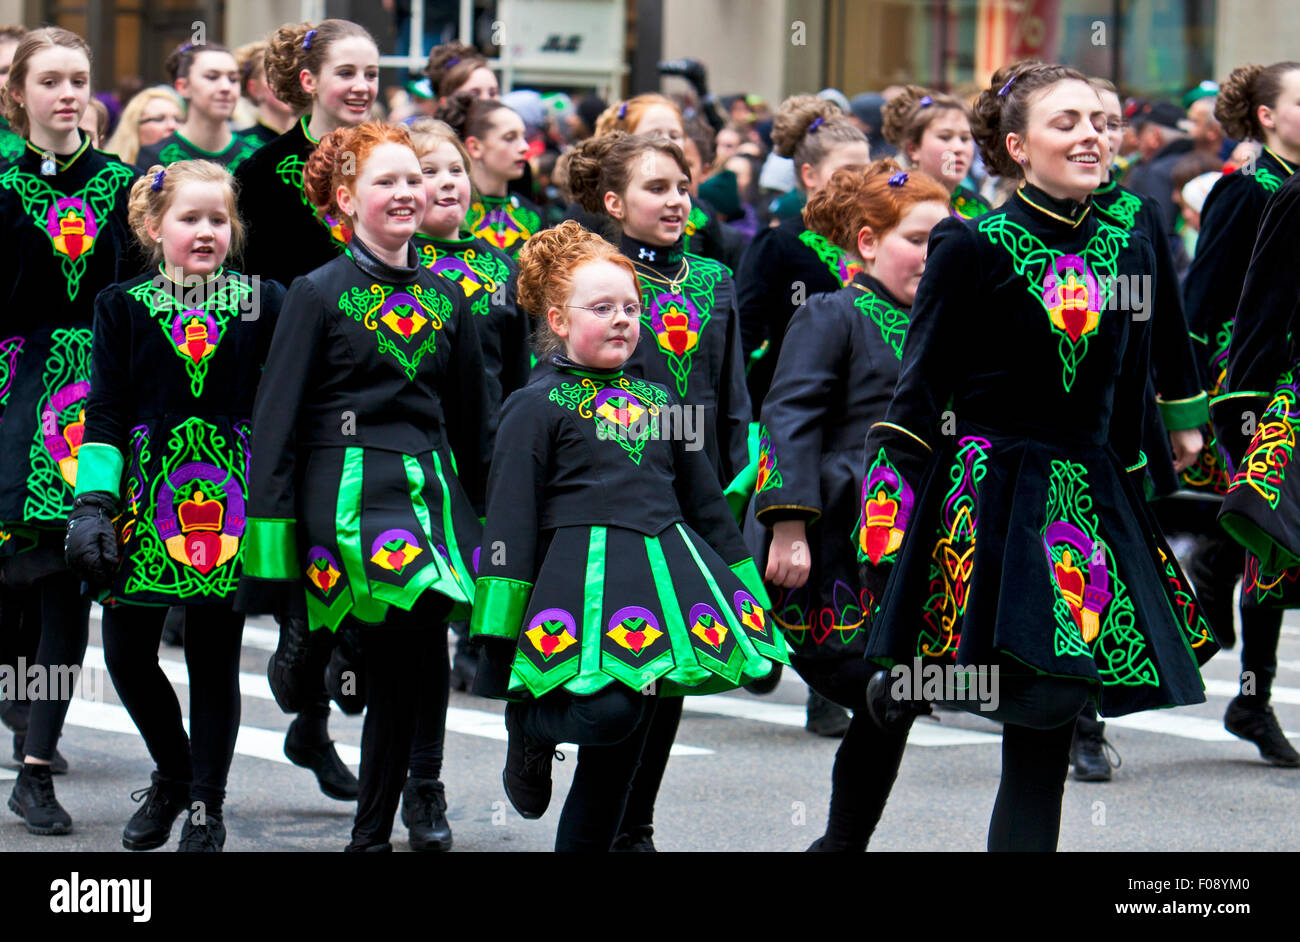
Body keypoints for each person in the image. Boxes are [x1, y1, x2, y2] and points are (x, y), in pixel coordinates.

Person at [859, 60, 1216, 851]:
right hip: (995, 489)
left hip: (1092, 485)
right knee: (1034, 694)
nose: (1090, 135)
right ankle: (905, 688)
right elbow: (921, 388)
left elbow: (1156, 340)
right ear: (1017, 146)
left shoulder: (1134, 224)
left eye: (1100, 121)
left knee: (1050, 708)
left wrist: (1179, 426)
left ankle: (915, 680)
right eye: (1067, 123)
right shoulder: (972, 243)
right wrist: (889, 507)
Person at [468, 220, 787, 851]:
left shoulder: (663, 395)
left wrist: (750, 597)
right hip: (573, 595)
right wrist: (498, 650)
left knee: (624, 750)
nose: (622, 320)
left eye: (632, 308)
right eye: (602, 308)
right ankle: (531, 726)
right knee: (607, 714)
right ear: (557, 320)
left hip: (662, 586)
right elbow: (509, 523)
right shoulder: (532, 405)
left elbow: (703, 503)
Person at [236, 121, 490, 851]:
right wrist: (276, 558)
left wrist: (494, 529)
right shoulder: (316, 293)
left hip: (431, 502)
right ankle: (381, 822)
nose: (409, 192)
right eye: (388, 181)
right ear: (346, 200)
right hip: (349, 498)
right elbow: (277, 421)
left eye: (415, 178)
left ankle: (409, 799)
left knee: (420, 648)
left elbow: (474, 429)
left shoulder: (451, 298)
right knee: (405, 652)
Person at [65, 160, 286, 851]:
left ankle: (206, 808)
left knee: (213, 660)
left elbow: (285, 407)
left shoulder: (265, 300)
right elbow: (102, 413)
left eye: (218, 220)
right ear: (153, 228)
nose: (206, 232)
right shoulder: (120, 305)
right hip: (142, 502)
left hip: (235, 506)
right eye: (190, 219)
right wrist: (92, 505)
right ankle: (174, 773)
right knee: (129, 656)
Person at [748, 159, 949, 850]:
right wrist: (788, 525)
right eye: (918, 239)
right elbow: (789, 415)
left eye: (944, 240)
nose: (934, 255)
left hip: (918, 535)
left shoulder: (943, 323)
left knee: (895, 701)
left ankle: (840, 844)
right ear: (867, 243)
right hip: (835, 533)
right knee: (875, 683)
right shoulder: (832, 313)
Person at [563, 130, 754, 849]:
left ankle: (635, 824)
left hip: (697, 489)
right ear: (613, 202)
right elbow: (558, 385)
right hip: (617, 483)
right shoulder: (593, 276)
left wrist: (741, 479)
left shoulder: (713, 279)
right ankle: (548, 747)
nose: (675, 201)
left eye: (681, 187)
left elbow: (732, 389)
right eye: (655, 189)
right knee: (616, 658)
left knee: (679, 659)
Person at [234, 18, 385, 801]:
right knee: (314, 538)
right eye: (345, 73)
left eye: (370, 72)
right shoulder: (262, 173)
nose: (361, 86)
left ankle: (321, 681)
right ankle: (308, 687)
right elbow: (246, 287)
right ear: (307, 82)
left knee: (376, 557)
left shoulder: (394, 162)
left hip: (386, 386)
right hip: (299, 386)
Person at [0, 26, 139, 836]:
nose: (67, 93)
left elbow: (134, 298)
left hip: (89, 406)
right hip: (11, 394)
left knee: (67, 588)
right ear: (18, 93)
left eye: (78, 79)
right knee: (17, 582)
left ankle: (37, 767)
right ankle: (16, 687)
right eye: (49, 80)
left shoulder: (124, 184)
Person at [734, 94, 870, 735]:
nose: (860, 184)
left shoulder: (869, 250)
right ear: (810, 177)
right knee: (778, 542)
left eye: (867, 169)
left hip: (856, 424)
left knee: (841, 552)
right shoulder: (780, 244)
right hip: (789, 412)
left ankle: (831, 681)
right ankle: (756, 633)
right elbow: (745, 331)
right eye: (846, 172)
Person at [1180, 62, 1300, 765]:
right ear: (1266, 116)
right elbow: (1203, 305)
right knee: (1270, 533)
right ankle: (1250, 697)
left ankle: (1216, 564)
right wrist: (1198, 406)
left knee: (1269, 539)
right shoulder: (1245, 190)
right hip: (1247, 389)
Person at [435, 92, 540, 261]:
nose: (524, 147)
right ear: (475, 147)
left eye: (523, 136)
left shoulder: (532, 215)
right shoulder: (452, 210)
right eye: (510, 138)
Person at [135, 42, 259, 172]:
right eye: (212, 77)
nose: (225, 87)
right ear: (183, 87)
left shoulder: (255, 156)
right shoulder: (153, 157)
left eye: (233, 79)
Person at [881, 85, 989, 219]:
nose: (958, 148)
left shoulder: (980, 206)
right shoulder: (892, 202)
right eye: (945, 137)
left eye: (965, 138)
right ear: (913, 149)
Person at [233, 41, 298, 148]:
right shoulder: (241, 144)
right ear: (254, 89)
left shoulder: (312, 138)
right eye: (275, 77)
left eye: (292, 75)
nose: (288, 84)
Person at [102, 87, 183, 167]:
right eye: (159, 119)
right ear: (134, 127)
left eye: (178, 119)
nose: (173, 126)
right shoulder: (116, 172)